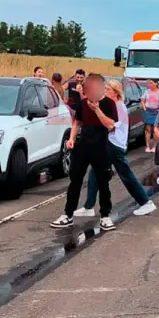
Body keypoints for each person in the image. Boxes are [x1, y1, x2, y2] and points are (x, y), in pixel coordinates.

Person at [75, 80, 158, 218]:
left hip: (115, 145)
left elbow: (110, 126)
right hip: (109, 144)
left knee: (125, 175)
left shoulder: (119, 107)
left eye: (107, 89)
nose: (104, 91)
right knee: (95, 172)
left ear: (115, 92)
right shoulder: (112, 105)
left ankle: (145, 202)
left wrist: (97, 110)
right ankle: (89, 206)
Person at [51, 74, 118, 231]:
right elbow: (77, 121)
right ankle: (68, 214)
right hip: (82, 145)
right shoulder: (82, 103)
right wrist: (72, 138)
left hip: (101, 146)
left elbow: (110, 125)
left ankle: (105, 216)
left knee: (103, 182)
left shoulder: (109, 104)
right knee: (75, 180)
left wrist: (97, 110)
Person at [141, 78, 159, 153]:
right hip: (148, 111)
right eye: (149, 83)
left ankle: (155, 146)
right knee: (148, 129)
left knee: (155, 130)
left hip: (156, 112)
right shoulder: (147, 91)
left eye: (151, 83)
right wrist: (144, 107)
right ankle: (147, 146)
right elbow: (143, 100)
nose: (149, 84)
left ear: (156, 83)